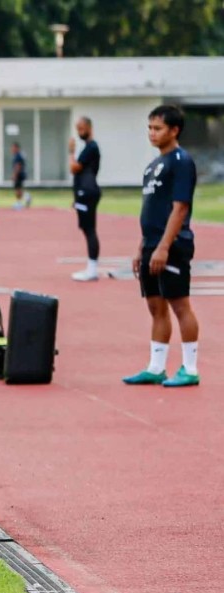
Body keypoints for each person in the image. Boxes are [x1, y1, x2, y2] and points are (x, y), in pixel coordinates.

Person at [124, 105, 200, 388]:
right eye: (149, 128)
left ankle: (190, 369)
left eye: (158, 128)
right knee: (155, 306)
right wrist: (142, 247)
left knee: (180, 305)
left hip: (172, 246)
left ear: (174, 130)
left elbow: (179, 208)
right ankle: (156, 367)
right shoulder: (153, 165)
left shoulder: (181, 161)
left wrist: (164, 247)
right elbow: (152, 210)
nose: (151, 133)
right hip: (151, 245)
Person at [69, 117, 102, 282]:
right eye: (77, 129)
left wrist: (71, 152)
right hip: (84, 193)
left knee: (89, 230)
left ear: (89, 127)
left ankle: (92, 269)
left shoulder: (91, 147)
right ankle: (91, 267)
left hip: (87, 192)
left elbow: (74, 168)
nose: (79, 132)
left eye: (81, 128)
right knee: (87, 229)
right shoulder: (89, 148)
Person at [11, 142, 30, 208]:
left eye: (13, 148)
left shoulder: (18, 156)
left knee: (17, 189)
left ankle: (19, 202)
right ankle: (26, 196)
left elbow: (18, 166)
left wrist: (15, 175)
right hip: (21, 174)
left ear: (17, 148)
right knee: (18, 189)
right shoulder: (19, 155)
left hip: (19, 174)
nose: (12, 149)